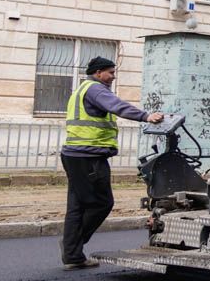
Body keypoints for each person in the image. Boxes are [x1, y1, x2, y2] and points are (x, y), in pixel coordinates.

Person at [60, 56, 165, 269]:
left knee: (77, 206)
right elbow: (117, 106)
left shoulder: (82, 89)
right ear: (98, 73)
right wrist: (146, 116)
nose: (113, 76)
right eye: (110, 72)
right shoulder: (96, 90)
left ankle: (73, 254)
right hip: (89, 156)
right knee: (102, 203)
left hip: (75, 155)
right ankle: (73, 245)